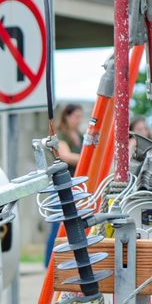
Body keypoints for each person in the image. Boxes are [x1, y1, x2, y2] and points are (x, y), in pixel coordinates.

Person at [47, 103, 86, 264]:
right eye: (75, 116)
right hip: (61, 185)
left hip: (77, 184)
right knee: (59, 224)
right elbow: (65, 156)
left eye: (80, 117)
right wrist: (86, 159)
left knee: (75, 224)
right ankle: (51, 261)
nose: (78, 120)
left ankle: (67, 259)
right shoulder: (61, 135)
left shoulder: (81, 136)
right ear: (67, 116)